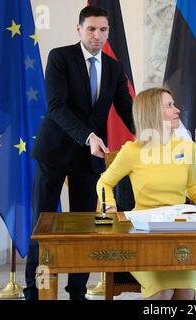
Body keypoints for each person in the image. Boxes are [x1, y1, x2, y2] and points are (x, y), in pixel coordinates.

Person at [24, 6, 134, 300]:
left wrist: (152, 134)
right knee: (43, 225)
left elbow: (127, 110)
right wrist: (88, 137)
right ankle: (35, 289)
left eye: (103, 30)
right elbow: (56, 107)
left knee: (86, 226)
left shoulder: (114, 67)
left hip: (90, 159)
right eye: (91, 30)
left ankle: (77, 291)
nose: (97, 36)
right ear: (79, 29)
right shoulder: (60, 57)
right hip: (55, 151)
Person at [97, 87, 196, 300]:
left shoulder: (187, 146)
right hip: (142, 236)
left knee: (185, 293)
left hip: (179, 233)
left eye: (174, 104)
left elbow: (192, 187)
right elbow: (104, 182)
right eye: (169, 105)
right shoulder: (132, 151)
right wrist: (109, 207)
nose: (177, 110)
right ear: (152, 112)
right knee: (162, 293)